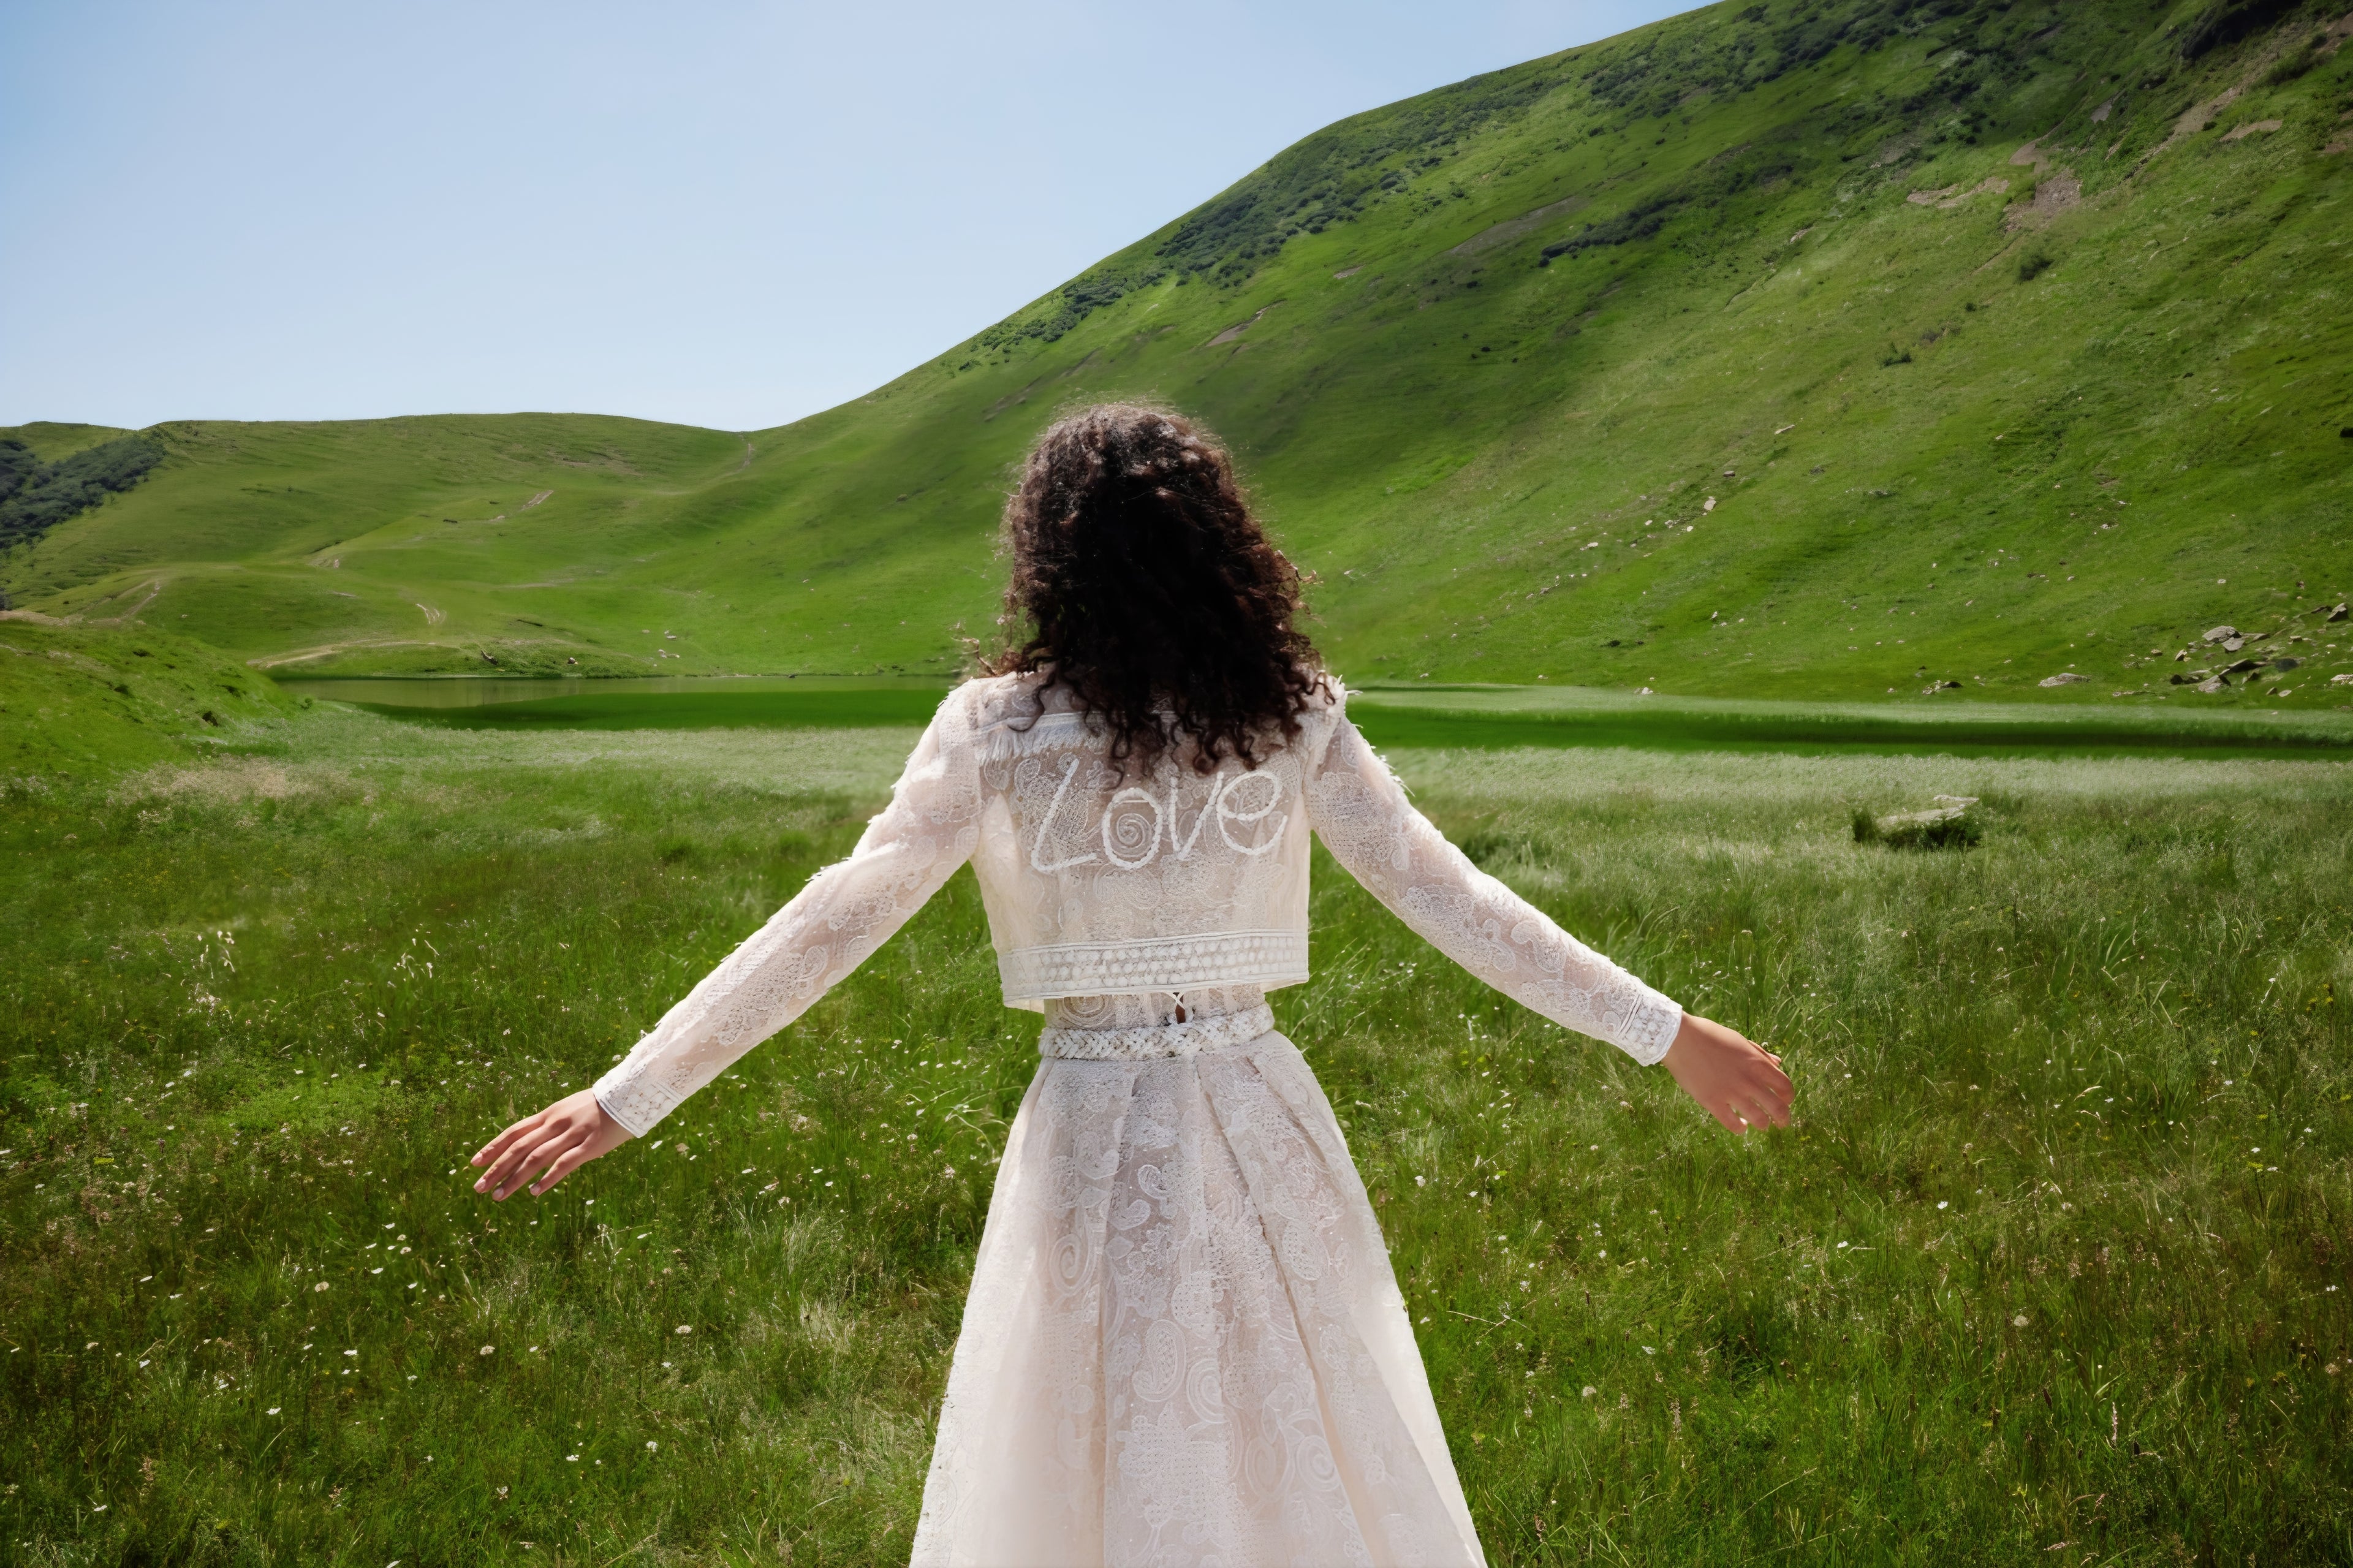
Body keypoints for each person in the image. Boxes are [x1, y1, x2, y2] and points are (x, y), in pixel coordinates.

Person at [471, 403, 1794, 1567]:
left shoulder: (1022, 726)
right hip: (1257, 1108)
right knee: (1289, 1436)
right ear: (1223, 548)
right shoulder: (1281, 710)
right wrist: (1664, 1033)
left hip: (1097, 1130)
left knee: (1107, 1449)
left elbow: (838, 915)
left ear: (1049, 556)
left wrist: (629, 1093)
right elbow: (1452, 896)